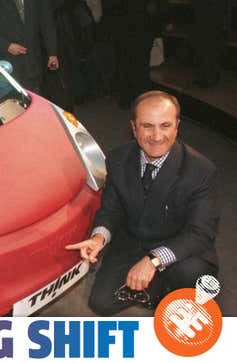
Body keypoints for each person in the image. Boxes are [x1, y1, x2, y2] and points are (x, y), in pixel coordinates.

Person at [66, 90, 219, 315]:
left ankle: (172, 294)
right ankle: (156, 288)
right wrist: (99, 237)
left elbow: (201, 233)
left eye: (165, 125)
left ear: (177, 126)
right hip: (134, 241)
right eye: (147, 126)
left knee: (190, 274)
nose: (157, 136)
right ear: (134, 128)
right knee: (101, 303)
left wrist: (153, 260)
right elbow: (111, 209)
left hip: (180, 246)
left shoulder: (201, 170)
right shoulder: (118, 158)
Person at [0, 0, 59, 94]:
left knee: (35, 100)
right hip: (8, 66)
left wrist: (52, 53)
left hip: (34, 64)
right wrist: (7, 46)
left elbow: (47, 24)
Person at [190, 0, 229, 88]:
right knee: (203, 50)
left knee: (210, 50)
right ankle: (204, 77)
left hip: (212, 21)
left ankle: (210, 78)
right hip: (204, 21)